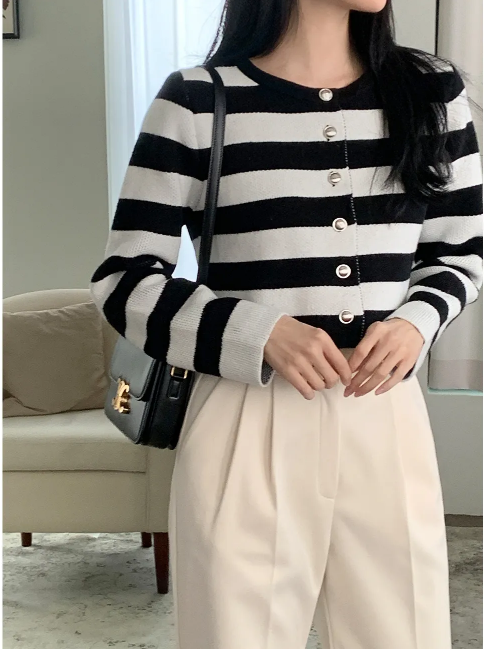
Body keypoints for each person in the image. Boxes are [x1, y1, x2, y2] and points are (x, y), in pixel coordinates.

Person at [90, 0, 483, 648]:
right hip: (242, 420)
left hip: (383, 414)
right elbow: (123, 279)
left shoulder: (431, 95)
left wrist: (416, 322)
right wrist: (259, 332)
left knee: (404, 635)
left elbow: (460, 254)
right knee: (236, 637)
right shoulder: (197, 102)